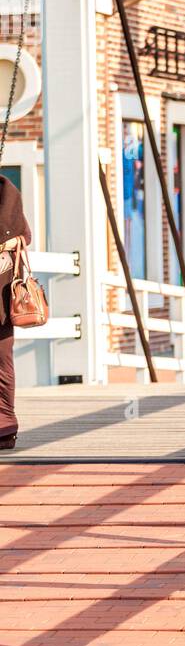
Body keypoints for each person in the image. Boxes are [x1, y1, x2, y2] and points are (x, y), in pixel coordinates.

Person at [0, 175, 32, 450]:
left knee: (2, 361)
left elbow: (24, 235)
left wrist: (6, 243)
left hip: (1, 293)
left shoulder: (7, 192)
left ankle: (5, 427)